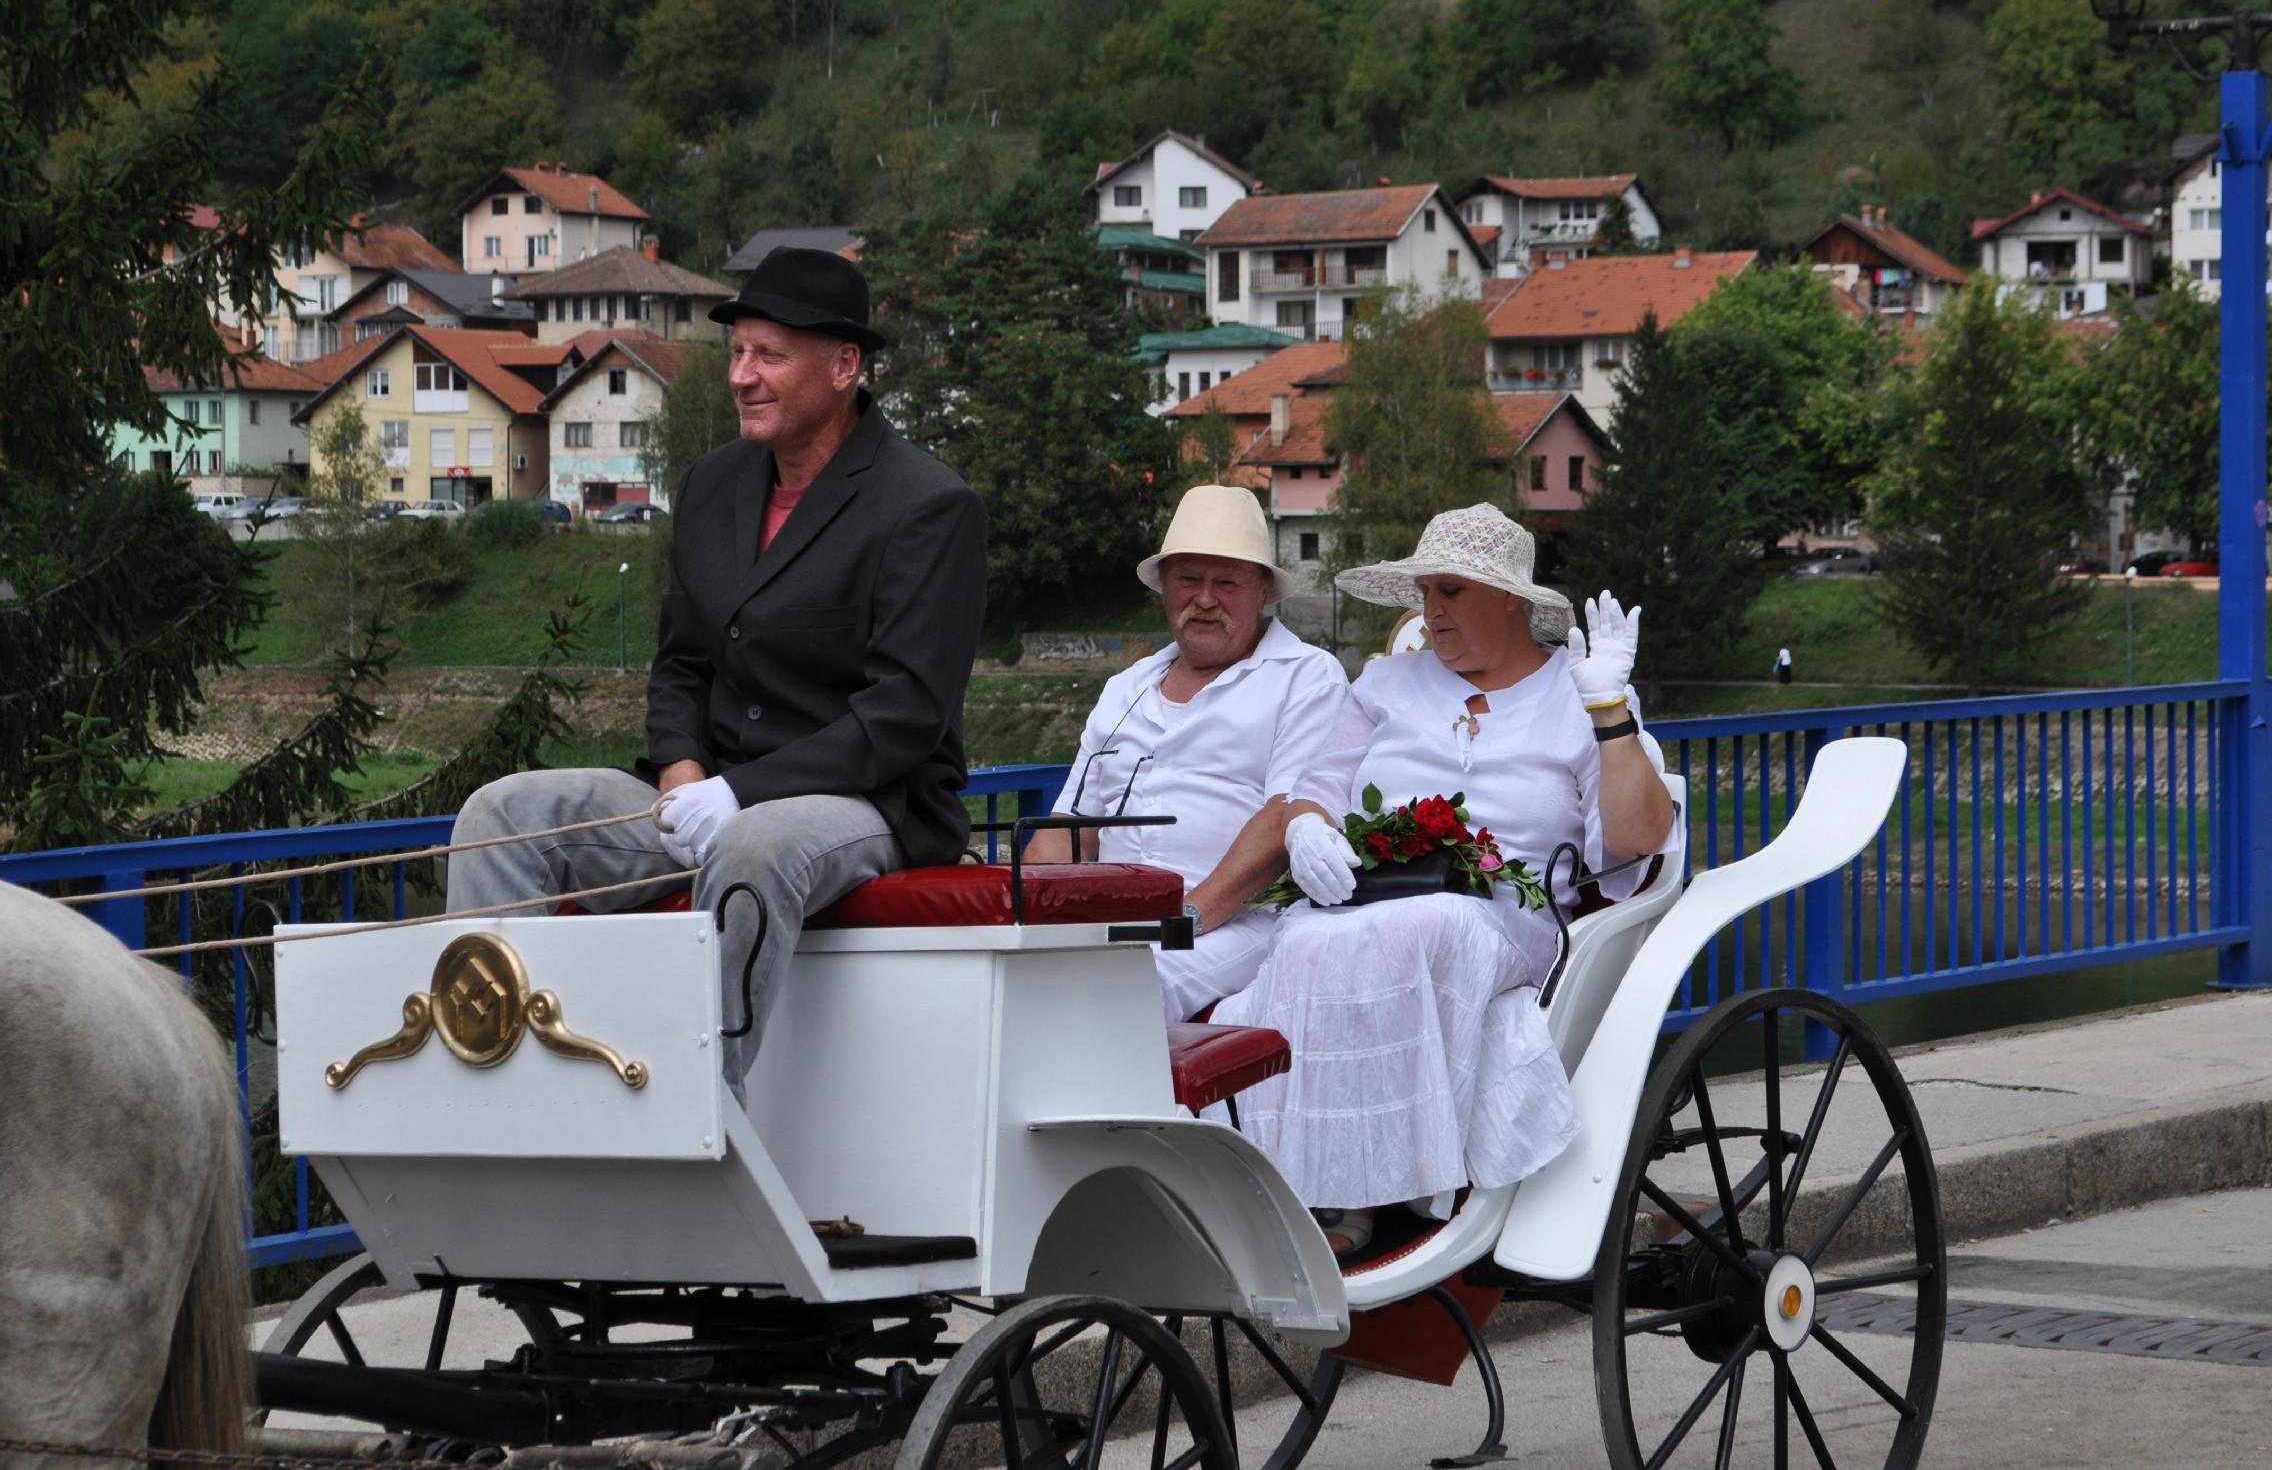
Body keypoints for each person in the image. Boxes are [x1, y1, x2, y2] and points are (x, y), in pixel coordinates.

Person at [445, 248, 987, 1093]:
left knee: (753, 847)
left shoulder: (927, 505)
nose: (742, 376)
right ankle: (496, 1095)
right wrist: (683, 771)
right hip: (711, 790)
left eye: (769, 355)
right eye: (738, 354)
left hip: (870, 803)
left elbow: (905, 716)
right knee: (505, 816)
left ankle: (695, 1111)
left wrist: (737, 796)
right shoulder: (712, 484)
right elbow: (683, 662)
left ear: (845, 366)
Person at [1212, 504, 1676, 1256]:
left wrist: (1609, 711)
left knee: (1428, 929)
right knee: (1300, 939)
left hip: (1504, 914)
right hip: (1374, 892)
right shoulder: (1389, 681)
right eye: (1426, 591)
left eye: (1452, 591)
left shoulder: (1576, 691)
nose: (1432, 610)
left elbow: (1636, 840)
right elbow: (1319, 782)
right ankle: (1300, 1182)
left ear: (1512, 601)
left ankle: (1364, 1195)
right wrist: (1306, 828)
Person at [1025, 486, 1348, 1021]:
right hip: (1116, 916)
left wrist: (1183, 918)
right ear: (1165, 589)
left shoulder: (1306, 676)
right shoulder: (1125, 687)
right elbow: (1070, 827)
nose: (1204, 599)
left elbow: (1283, 818)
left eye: (1226, 583)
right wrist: (1021, 908)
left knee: (1122, 985)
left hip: (1239, 920)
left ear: (1263, 591)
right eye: (1188, 580)